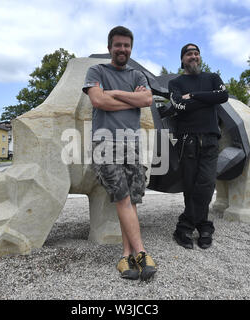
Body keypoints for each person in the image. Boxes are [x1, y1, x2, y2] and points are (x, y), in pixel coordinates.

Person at [82, 26, 157, 281]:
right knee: (123, 197)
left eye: (126, 45)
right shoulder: (96, 71)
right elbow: (98, 102)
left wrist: (113, 93)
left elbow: (147, 101)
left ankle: (125, 257)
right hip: (105, 143)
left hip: (132, 143)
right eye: (118, 45)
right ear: (109, 47)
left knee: (131, 201)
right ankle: (142, 253)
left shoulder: (137, 74)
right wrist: (129, 99)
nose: (122, 49)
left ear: (131, 48)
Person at [168, 43, 228, 250]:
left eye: (196, 53)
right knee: (191, 186)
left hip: (210, 140)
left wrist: (194, 96)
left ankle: (184, 226)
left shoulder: (212, 78)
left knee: (207, 183)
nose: (193, 56)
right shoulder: (175, 82)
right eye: (189, 54)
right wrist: (207, 98)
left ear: (199, 57)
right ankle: (203, 225)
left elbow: (222, 96)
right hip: (187, 141)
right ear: (182, 59)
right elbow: (179, 106)